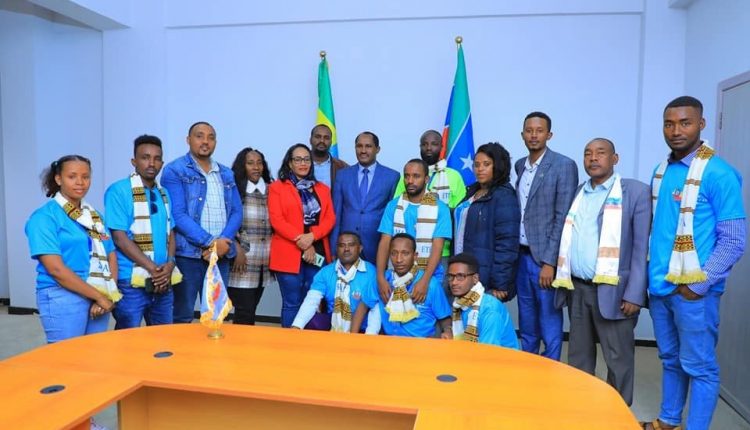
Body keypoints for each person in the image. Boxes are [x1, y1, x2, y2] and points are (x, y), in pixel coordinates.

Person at [642, 96, 746, 430]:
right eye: (669, 124)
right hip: (661, 287)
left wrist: (698, 285)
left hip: (693, 293)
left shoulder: (719, 173)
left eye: (685, 123)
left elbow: (733, 240)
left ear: (701, 124)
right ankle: (669, 421)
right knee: (670, 359)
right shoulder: (662, 171)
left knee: (700, 368)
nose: (676, 131)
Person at [551, 138, 650, 405]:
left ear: (614, 159)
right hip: (577, 288)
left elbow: (641, 248)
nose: (593, 158)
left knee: (618, 359)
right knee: (578, 358)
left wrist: (634, 294)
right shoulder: (579, 192)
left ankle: (617, 413)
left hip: (614, 291)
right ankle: (582, 410)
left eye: (600, 153)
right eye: (588, 154)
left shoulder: (635, 192)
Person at [25, 155, 121, 343]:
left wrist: (108, 294)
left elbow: (110, 254)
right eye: (72, 176)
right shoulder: (44, 218)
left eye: (85, 177)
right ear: (58, 179)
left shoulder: (94, 217)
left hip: (98, 293)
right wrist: (99, 297)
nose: (80, 182)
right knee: (66, 357)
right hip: (62, 295)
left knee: (95, 354)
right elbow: (56, 269)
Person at [161, 121, 242, 323]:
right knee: (182, 315)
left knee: (217, 315)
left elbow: (236, 212)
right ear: (188, 140)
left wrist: (223, 243)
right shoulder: (175, 170)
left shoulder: (226, 173)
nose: (205, 141)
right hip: (188, 255)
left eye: (211, 137)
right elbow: (177, 214)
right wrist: (211, 243)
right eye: (199, 136)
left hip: (221, 255)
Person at [514, 111, 578, 361]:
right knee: (527, 321)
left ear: (549, 135)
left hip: (544, 260)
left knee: (549, 324)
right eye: (529, 130)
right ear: (522, 134)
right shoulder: (520, 165)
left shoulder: (564, 165)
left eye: (539, 131)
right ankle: (528, 368)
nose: (534, 135)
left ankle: (551, 370)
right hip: (521, 256)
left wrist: (550, 262)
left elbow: (562, 217)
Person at [104, 135, 182, 329]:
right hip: (130, 281)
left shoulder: (163, 193)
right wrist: (153, 269)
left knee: (163, 336)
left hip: (163, 278)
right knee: (129, 338)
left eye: (157, 158)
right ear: (134, 161)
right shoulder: (119, 191)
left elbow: (170, 232)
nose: (151, 163)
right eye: (145, 157)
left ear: (162, 163)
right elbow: (119, 238)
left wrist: (170, 264)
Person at [268, 143, 335, 328]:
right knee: (292, 303)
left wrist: (312, 237)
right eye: (298, 159)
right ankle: (290, 342)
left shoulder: (322, 189)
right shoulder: (277, 188)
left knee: (312, 301)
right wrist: (303, 240)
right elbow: (277, 220)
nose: (303, 163)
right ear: (289, 163)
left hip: (317, 253)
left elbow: (330, 219)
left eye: (306, 159)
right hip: (288, 253)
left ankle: (309, 342)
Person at [376, 159, 452, 305]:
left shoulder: (440, 208)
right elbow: (385, 242)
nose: (410, 181)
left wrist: (425, 280)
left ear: (426, 179)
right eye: (407, 176)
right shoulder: (393, 206)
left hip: (430, 276)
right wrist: (380, 277)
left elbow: (438, 247)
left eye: (416, 176)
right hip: (396, 275)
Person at [351, 233, 451, 338]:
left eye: (405, 253)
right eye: (394, 253)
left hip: (421, 343)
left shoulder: (430, 284)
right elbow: (363, 307)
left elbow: (444, 318)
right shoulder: (383, 280)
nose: (399, 259)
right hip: (389, 342)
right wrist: (352, 340)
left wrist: (448, 331)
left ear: (415, 256)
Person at [454, 142, 520, 302]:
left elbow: (507, 244)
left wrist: (500, 284)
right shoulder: (471, 191)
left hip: (486, 279)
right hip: (465, 272)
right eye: (476, 165)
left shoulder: (504, 196)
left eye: (486, 164)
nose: (480, 169)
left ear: (498, 166)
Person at [292, 231, 380, 333]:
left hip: (362, 325)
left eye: (351, 245)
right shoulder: (325, 272)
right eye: (342, 245)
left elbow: (375, 309)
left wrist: (368, 337)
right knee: (312, 322)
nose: (346, 249)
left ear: (360, 248)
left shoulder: (372, 273)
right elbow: (311, 301)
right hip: (334, 322)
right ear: (336, 249)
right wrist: (296, 327)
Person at [331, 131, 399, 262]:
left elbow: (391, 216)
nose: (363, 150)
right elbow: (336, 214)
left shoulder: (392, 176)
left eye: (368, 146)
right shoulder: (342, 175)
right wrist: (334, 247)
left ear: (377, 149)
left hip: (376, 246)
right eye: (359, 146)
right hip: (346, 246)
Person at [228, 147, 274, 325]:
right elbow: (226, 223)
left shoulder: (270, 191)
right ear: (242, 166)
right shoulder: (235, 191)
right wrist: (236, 247)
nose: (256, 167)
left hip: (263, 263)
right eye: (250, 163)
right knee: (244, 312)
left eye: (259, 163)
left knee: (250, 311)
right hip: (242, 262)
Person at [446, 253, 519, 348]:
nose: (454, 282)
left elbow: (487, 351)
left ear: (475, 278)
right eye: (450, 276)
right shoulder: (460, 303)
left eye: (460, 276)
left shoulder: (490, 309)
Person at [393, 130, 466, 208]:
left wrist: (437, 206)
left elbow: (460, 209)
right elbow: (396, 204)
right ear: (420, 147)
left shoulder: (454, 176)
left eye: (434, 144)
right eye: (424, 144)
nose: (429, 148)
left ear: (441, 147)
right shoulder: (409, 175)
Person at [310, 124, 348, 189]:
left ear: (331, 142)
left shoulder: (342, 167)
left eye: (326, 138)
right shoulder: (298, 165)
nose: (322, 141)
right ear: (310, 140)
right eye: (318, 137)